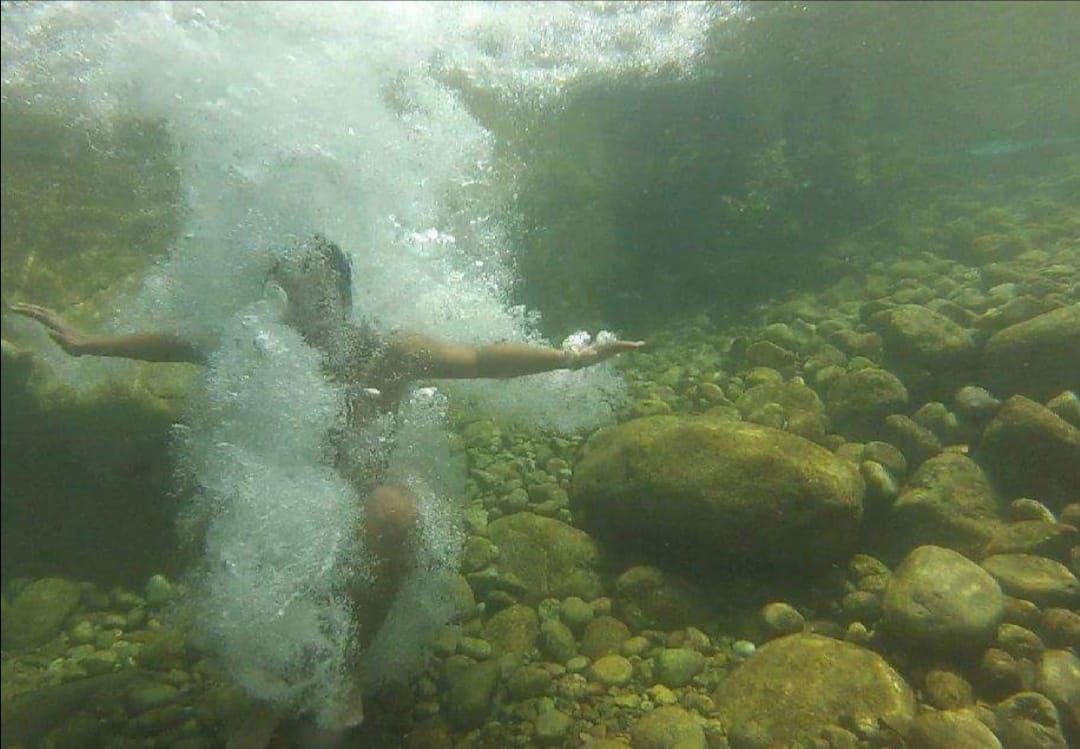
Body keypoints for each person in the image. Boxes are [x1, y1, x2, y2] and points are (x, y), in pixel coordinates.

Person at [9, 234, 643, 744]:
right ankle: (271, 694)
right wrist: (90, 344)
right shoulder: (268, 345)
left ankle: (340, 674)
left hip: (367, 498)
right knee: (236, 514)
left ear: (342, 294)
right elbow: (184, 343)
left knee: (393, 512)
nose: (305, 311)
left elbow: (480, 359)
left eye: (316, 295)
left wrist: (567, 358)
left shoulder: (389, 350)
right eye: (290, 294)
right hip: (289, 504)